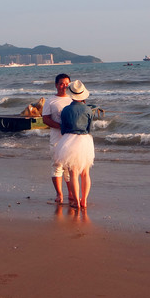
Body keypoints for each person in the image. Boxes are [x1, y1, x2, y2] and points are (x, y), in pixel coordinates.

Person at [55, 80, 95, 210]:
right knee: (85, 173)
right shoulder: (88, 110)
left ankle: (76, 201)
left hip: (69, 139)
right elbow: (89, 129)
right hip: (84, 140)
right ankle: (85, 200)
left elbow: (63, 129)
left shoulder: (65, 110)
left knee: (73, 173)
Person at [41, 73, 74, 204]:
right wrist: (61, 127)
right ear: (56, 85)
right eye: (61, 83)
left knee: (70, 167)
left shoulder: (73, 99)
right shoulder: (50, 101)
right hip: (56, 139)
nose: (64, 86)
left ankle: (71, 193)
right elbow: (45, 119)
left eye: (67, 84)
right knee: (57, 166)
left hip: (71, 139)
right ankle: (59, 194)